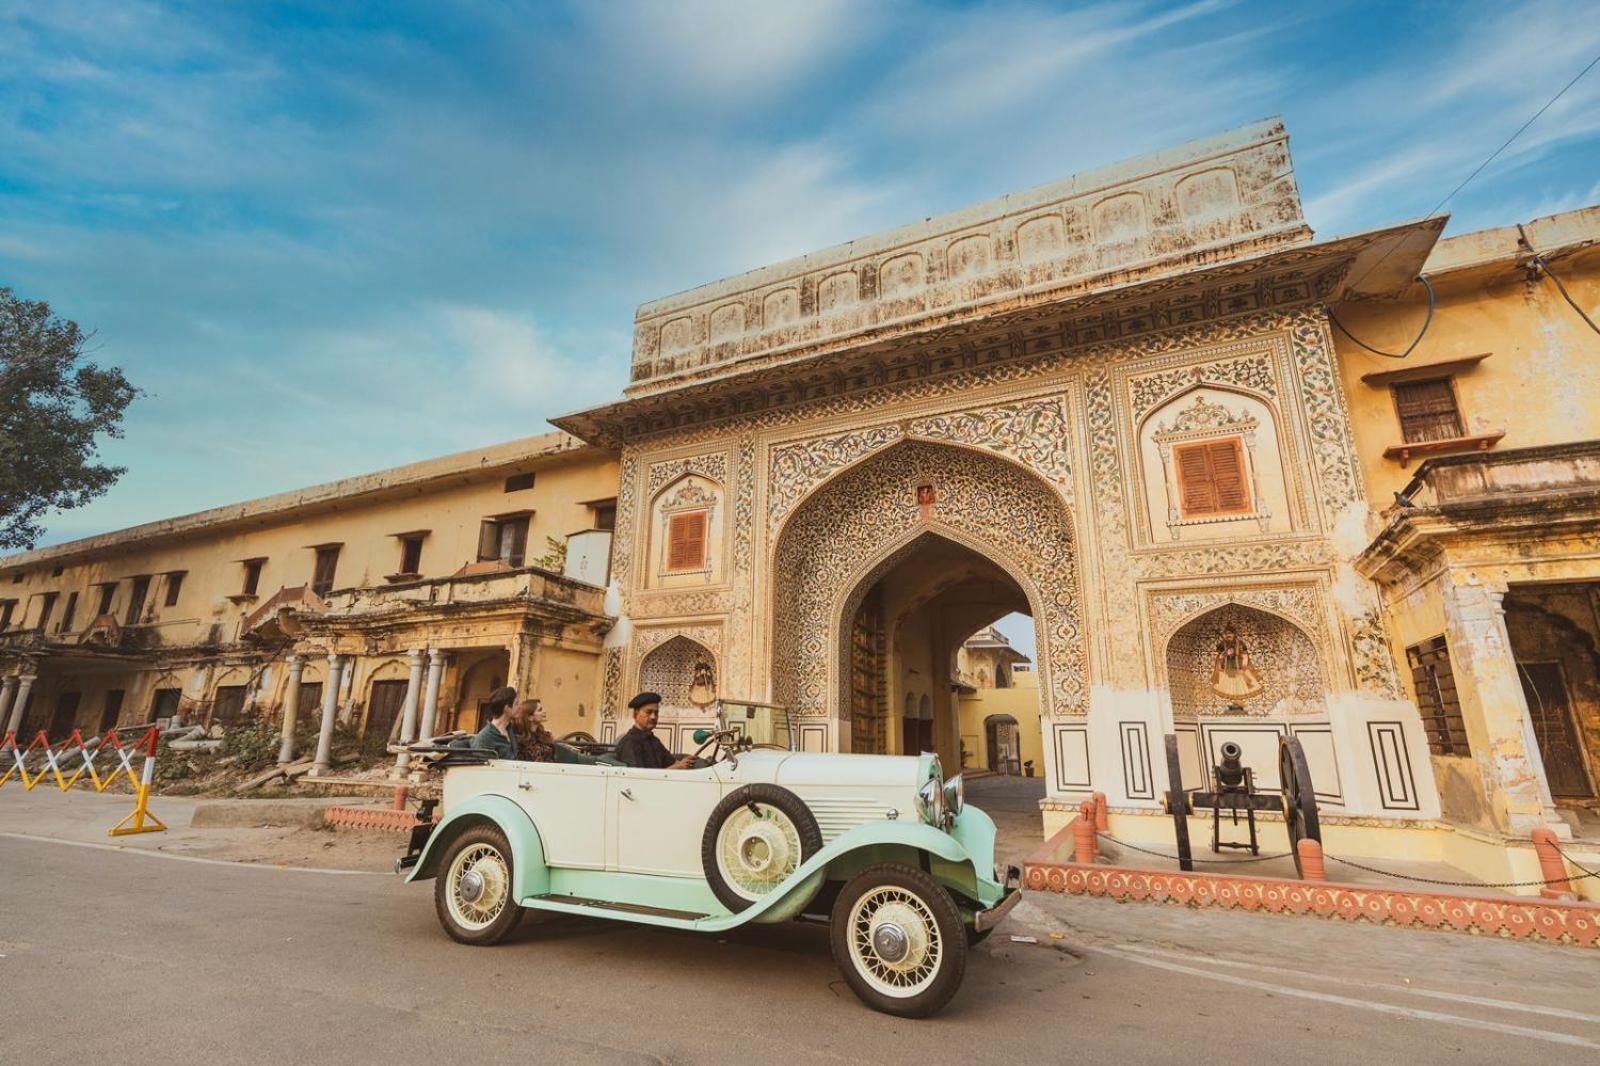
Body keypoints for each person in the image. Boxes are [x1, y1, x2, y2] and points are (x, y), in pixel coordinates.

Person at [614, 692, 694, 770]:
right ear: (635, 714)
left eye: (656, 712)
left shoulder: (654, 740)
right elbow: (640, 778)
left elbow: (672, 763)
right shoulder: (630, 742)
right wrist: (676, 768)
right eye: (648, 712)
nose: (653, 717)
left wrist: (685, 763)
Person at [471, 686, 521, 760]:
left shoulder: (509, 729)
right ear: (506, 709)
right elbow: (481, 768)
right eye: (516, 704)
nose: (519, 707)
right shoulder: (484, 738)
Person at [513, 698, 558, 762]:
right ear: (530, 717)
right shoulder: (520, 739)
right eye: (540, 710)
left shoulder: (545, 735)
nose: (544, 712)